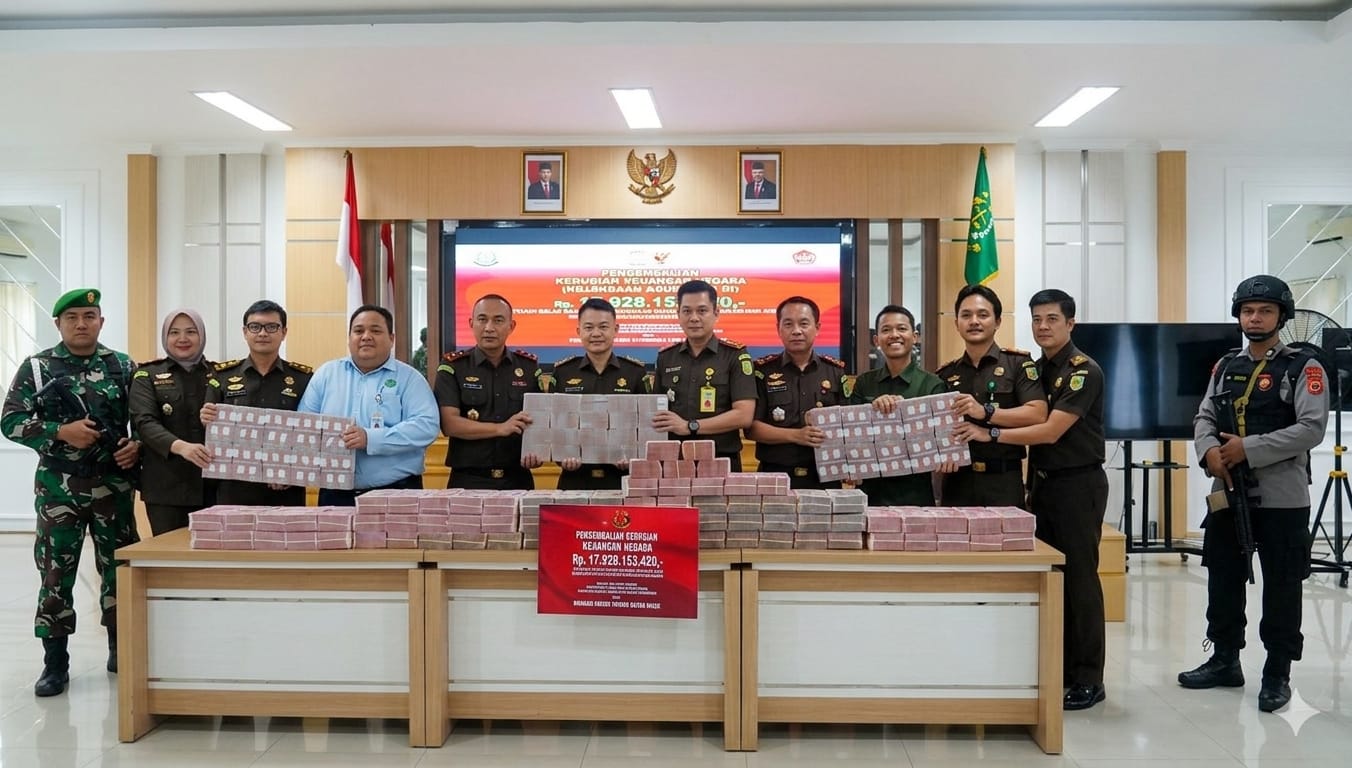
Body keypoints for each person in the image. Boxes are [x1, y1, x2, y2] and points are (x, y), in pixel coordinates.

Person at [953, 288, 1108, 711]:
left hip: (1078, 484)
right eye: (1037, 319)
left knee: (1080, 579)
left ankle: (1089, 678)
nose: (1043, 327)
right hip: (1040, 483)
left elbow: (1050, 430)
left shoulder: (1082, 371)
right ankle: (1060, 669)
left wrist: (989, 430)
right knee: (1050, 579)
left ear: (1070, 323)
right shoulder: (1036, 369)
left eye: (1052, 319)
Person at [1179, 275, 1327, 713]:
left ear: (1282, 316)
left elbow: (1311, 428)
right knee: (1223, 578)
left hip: (1282, 497)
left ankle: (1277, 672)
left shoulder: (1305, 367)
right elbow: (1204, 415)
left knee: (1282, 585)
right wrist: (1209, 452)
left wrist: (1249, 449)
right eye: (1248, 311)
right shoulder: (1226, 365)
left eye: (1264, 311)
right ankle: (1225, 659)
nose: (1255, 318)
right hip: (1227, 490)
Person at [2, 288, 140, 696]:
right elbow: (11, 421)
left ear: (101, 321)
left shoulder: (122, 366)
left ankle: (120, 649)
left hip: (113, 486)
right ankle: (55, 663)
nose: (81, 324)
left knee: (119, 570)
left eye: (89, 316)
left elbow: (142, 420)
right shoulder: (38, 367)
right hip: (58, 489)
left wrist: (136, 447)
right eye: (73, 317)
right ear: (58, 323)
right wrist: (61, 431)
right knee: (55, 574)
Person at [297, 305, 440, 505]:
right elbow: (303, 426)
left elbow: (426, 426)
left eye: (375, 330)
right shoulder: (326, 374)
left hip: (396, 492)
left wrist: (371, 438)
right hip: (334, 493)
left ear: (391, 338)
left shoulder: (410, 379)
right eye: (358, 331)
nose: (366, 337)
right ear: (349, 338)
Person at [936, 284, 1047, 507]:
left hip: (1003, 481)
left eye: (983, 315)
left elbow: (1038, 414)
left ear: (997, 321)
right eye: (966, 315)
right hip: (957, 482)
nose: (974, 321)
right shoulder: (945, 374)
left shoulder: (1018, 364)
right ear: (956, 324)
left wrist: (985, 412)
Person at [200, 300, 313, 507]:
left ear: (284, 332)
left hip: (285, 488)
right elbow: (209, 426)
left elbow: (311, 435)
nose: (262, 333)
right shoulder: (222, 376)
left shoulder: (303, 379)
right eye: (255, 327)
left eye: (271, 327)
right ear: (245, 332)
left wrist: (291, 471)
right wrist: (206, 418)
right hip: (234, 488)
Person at [436, 294, 544, 489]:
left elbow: (539, 422)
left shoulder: (528, 368)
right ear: (471, 323)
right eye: (482, 319)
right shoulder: (453, 367)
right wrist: (500, 428)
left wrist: (537, 453)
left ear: (511, 326)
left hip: (517, 478)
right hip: (468, 480)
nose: (489, 328)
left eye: (498, 320)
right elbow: (449, 424)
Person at [543, 298, 649, 490]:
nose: (596, 334)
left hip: (623, 480)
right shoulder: (563, 372)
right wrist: (561, 457)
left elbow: (646, 424)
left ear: (616, 329)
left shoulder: (635, 372)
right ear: (579, 331)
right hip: (575, 479)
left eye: (603, 327)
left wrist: (634, 457)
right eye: (589, 327)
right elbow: (552, 424)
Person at [651, 280, 757, 470]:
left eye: (702, 311)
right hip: (675, 462)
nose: (694, 318)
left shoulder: (735, 356)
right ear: (678, 314)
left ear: (716, 313)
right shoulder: (666, 357)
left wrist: (690, 426)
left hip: (721, 460)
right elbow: (655, 413)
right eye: (686, 311)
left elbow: (744, 415)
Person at [848, 305, 948, 505]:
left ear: (915, 337)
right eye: (886, 330)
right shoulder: (864, 383)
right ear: (876, 340)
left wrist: (907, 415)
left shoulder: (933, 384)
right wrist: (874, 412)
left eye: (902, 329)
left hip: (916, 497)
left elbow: (940, 444)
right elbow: (852, 438)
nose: (894, 335)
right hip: (870, 496)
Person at [747, 296, 849, 489]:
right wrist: (796, 435)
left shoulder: (834, 371)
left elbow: (847, 425)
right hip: (775, 476)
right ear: (778, 329)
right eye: (788, 324)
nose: (796, 331)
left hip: (825, 477)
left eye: (803, 324)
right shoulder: (762, 371)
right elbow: (751, 428)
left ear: (817, 328)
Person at [130, 309, 214, 535]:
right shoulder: (146, 375)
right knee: (168, 553)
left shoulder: (220, 375)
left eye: (191, 332)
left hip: (213, 487)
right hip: (166, 487)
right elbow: (145, 423)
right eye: (174, 332)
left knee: (214, 554)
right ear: (165, 337)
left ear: (202, 335)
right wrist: (181, 447)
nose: (182, 338)